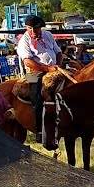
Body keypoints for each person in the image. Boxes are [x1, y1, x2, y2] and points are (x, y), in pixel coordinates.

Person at [16, 14, 62, 147]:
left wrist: (58, 65)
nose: (33, 31)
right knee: (38, 95)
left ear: (40, 28)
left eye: (35, 28)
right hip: (36, 72)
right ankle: (39, 130)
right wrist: (47, 68)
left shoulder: (47, 35)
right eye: (30, 28)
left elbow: (58, 52)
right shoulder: (24, 40)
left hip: (54, 68)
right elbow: (28, 62)